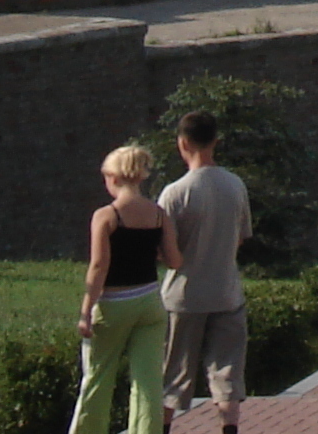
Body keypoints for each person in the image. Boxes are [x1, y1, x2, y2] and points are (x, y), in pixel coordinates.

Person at [70, 146, 181, 434]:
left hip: (113, 304)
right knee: (147, 383)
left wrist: (85, 311)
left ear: (114, 177)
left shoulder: (107, 216)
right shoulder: (158, 214)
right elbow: (174, 260)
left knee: (98, 379)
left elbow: (98, 266)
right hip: (150, 303)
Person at [159, 109, 253, 433]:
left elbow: (168, 254)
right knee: (227, 379)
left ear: (182, 143)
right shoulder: (236, 185)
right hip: (227, 293)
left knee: (171, 380)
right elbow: (241, 238)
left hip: (183, 298)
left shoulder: (174, 193)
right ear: (216, 141)